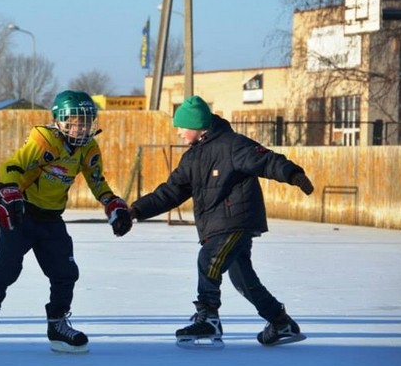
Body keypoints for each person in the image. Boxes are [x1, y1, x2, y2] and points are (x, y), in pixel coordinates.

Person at [128, 95, 314, 348]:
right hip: (216, 225)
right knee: (243, 280)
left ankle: (209, 317)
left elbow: (266, 159)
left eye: (182, 127)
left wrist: (293, 174)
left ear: (196, 126)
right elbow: (169, 193)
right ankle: (281, 322)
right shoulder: (192, 158)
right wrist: (135, 211)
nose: (180, 133)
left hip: (237, 221)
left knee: (209, 259)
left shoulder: (232, 145)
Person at [0, 90, 132, 353]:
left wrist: (111, 202)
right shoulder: (45, 139)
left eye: (86, 121)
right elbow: (12, 164)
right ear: (60, 120)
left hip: (51, 218)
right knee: (7, 265)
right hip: (23, 213)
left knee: (65, 272)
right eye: (75, 120)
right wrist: (8, 191)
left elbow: (96, 180)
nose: (81, 127)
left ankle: (57, 325)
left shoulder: (88, 148)